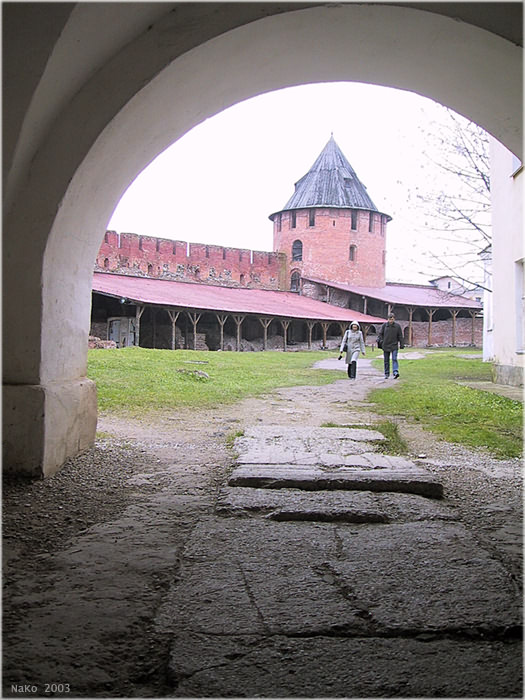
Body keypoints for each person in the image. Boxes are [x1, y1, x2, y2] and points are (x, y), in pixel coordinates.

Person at [377, 313, 405, 379]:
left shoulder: (397, 326)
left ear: (394, 319)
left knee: (394, 359)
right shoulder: (384, 326)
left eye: (392, 319)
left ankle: (395, 372)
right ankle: (386, 373)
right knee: (386, 360)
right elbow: (380, 334)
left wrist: (402, 344)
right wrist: (380, 341)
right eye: (390, 319)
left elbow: (400, 336)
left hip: (394, 345)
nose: (391, 321)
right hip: (385, 345)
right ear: (388, 319)